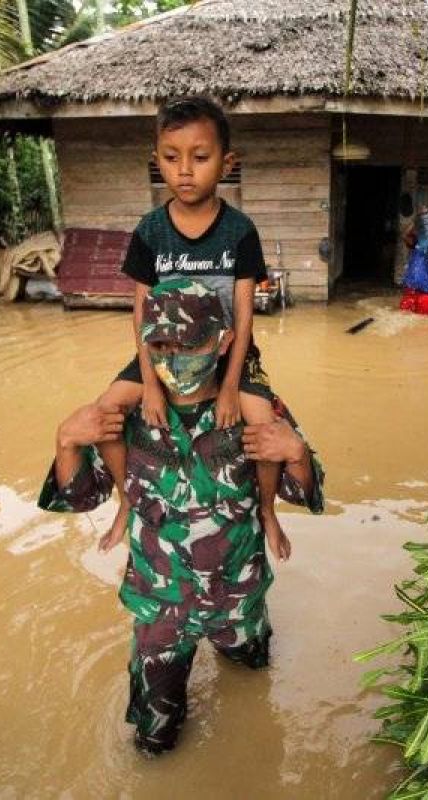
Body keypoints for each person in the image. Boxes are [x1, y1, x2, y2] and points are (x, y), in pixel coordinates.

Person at [39, 278, 324, 754]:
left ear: (222, 341)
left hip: (239, 597)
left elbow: (302, 490)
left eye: (188, 343)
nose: (173, 358)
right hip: (161, 606)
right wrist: (64, 440)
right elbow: (82, 496)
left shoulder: (255, 408)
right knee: (154, 736)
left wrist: (297, 453)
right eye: (161, 345)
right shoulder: (125, 415)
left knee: (254, 686)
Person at [94, 95, 292, 564]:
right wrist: (150, 385)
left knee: (262, 419)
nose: (185, 170)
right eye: (170, 157)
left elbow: (244, 316)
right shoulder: (150, 231)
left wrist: (228, 387)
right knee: (105, 410)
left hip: (228, 352)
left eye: (200, 158)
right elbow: (141, 315)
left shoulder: (240, 230)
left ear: (227, 163)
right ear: (156, 160)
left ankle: (266, 510)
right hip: (163, 353)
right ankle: (126, 499)